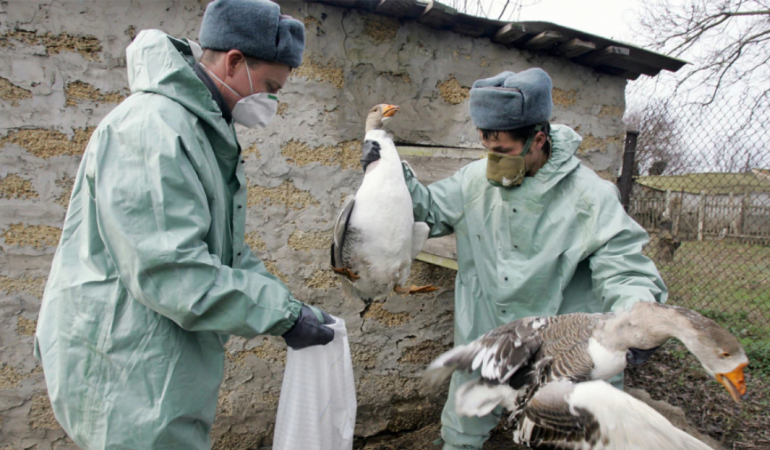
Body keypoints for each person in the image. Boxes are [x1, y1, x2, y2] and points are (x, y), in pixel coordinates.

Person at [33, 1, 334, 448]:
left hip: (154, 362)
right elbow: (172, 270)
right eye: (270, 86)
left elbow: (222, 250)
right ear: (234, 61)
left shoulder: (199, 128)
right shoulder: (153, 128)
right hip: (127, 368)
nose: (272, 101)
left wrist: (290, 306)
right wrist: (283, 317)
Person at [401, 69, 668, 449]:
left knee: (571, 436)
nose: (492, 161)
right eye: (487, 149)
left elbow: (624, 269)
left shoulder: (590, 196)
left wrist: (638, 319)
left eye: (504, 152)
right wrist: (392, 177)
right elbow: (426, 210)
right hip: (490, 336)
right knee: (461, 431)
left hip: (562, 351)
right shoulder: (473, 181)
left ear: (538, 140)